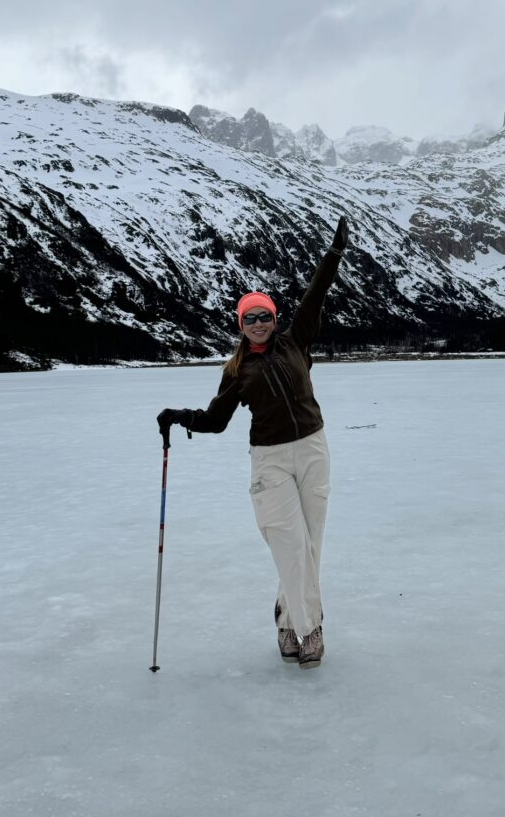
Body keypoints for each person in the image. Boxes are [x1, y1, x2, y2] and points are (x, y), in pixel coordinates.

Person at [157, 216, 349, 669]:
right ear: (241, 325)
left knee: (311, 545)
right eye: (250, 318)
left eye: (264, 316)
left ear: (274, 319)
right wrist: (180, 417)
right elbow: (216, 420)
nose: (259, 323)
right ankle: (310, 628)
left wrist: (334, 254)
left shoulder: (296, 342)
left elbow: (316, 293)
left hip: (314, 448)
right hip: (270, 459)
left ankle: (286, 620)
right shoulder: (237, 370)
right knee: (288, 543)